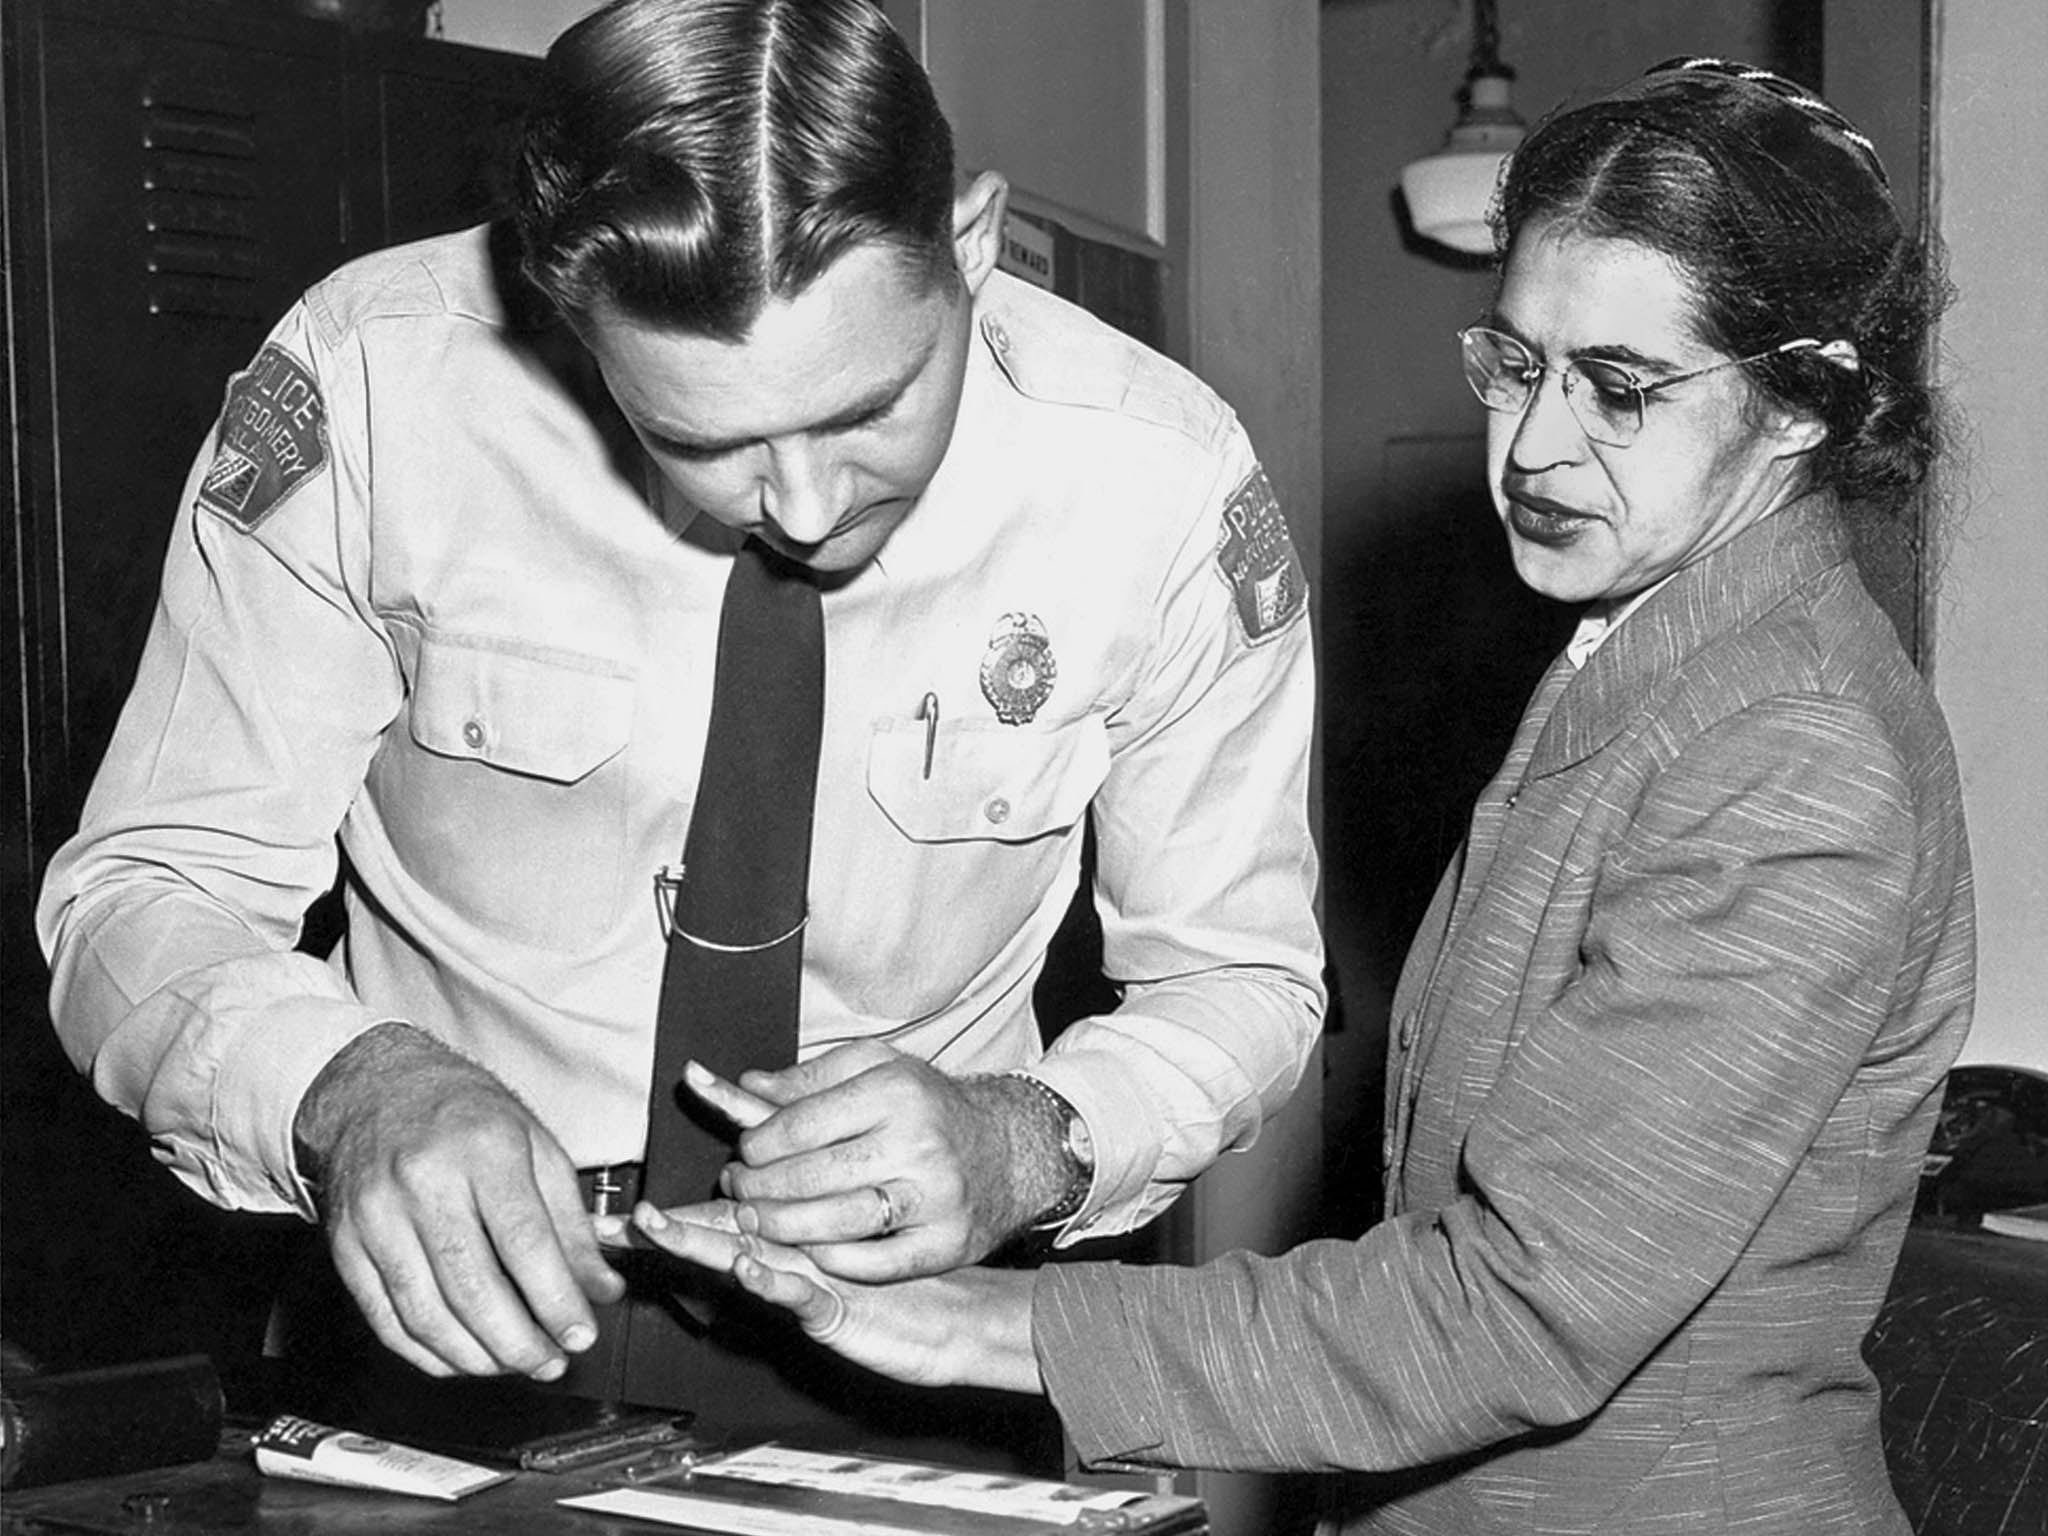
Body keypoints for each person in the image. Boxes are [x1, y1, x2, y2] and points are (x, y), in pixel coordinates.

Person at [630, 57, 1976, 1533]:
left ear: (1801, 404)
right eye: (1515, 364)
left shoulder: (1792, 749)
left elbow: (1524, 1305)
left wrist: (983, 1325)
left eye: (1620, 388)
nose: (1531, 446)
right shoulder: (1663, 653)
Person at [33, 0, 1323, 1446]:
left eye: (872, 409)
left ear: (969, 244)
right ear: (569, 321)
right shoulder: (378, 384)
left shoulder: (1158, 478)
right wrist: (351, 1091)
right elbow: (140, 896)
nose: (808, 509)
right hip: (445, 1337)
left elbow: (1246, 979)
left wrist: (1031, 1139)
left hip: (922, 1347)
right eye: (703, 441)